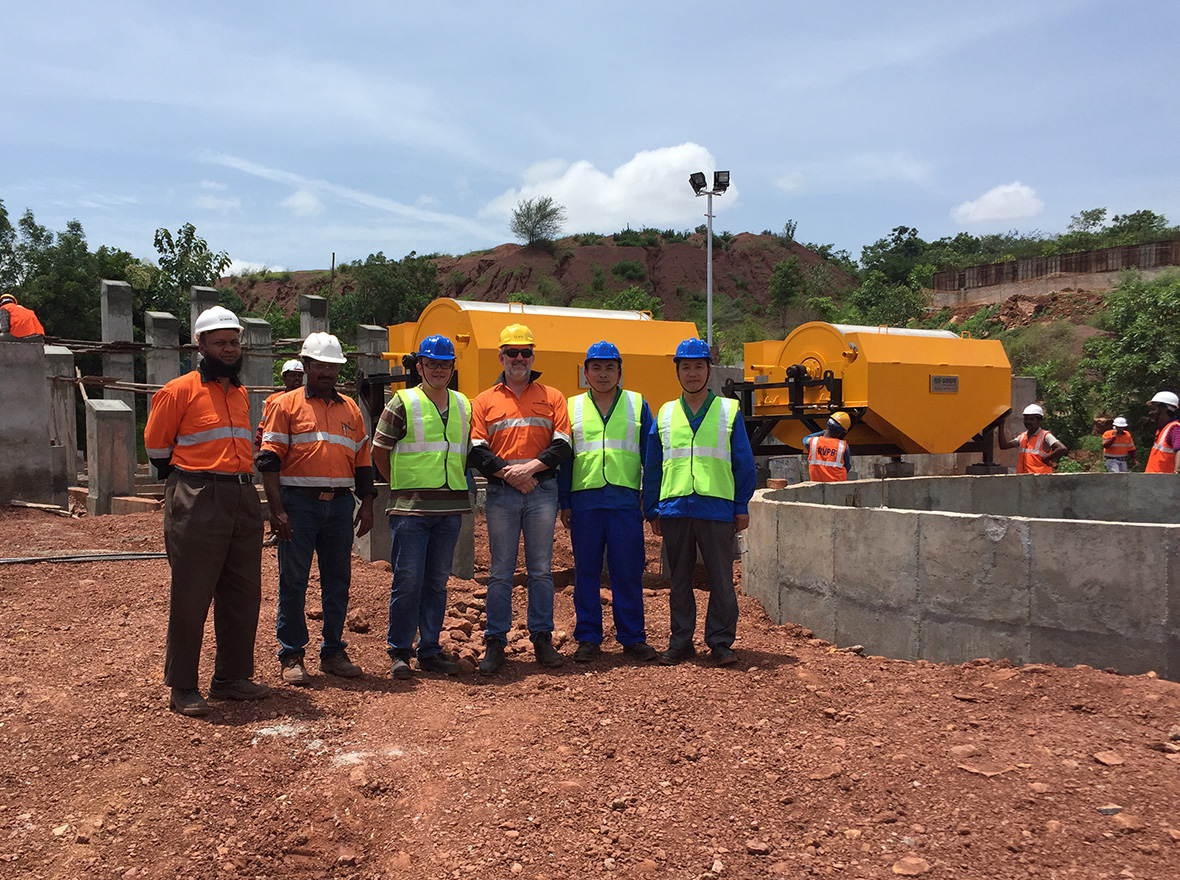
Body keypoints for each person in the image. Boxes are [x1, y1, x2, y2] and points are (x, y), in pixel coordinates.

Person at [144, 306, 269, 717]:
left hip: (242, 495)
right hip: (198, 494)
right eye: (220, 343)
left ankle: (231, 677)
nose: (229, 349)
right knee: (192, 593)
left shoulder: (239, 393)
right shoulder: (178, 390)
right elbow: (157, 449)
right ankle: (183, 685)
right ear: (200, 345)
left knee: (243, 592)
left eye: (233, 342)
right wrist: (191, 478)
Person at [256, 332, 375, 685]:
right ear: (306, 366)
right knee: (293, 581)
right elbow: (269, 459)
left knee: (338, 582)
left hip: (339, 506)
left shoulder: (350, 409)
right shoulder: (285, 405)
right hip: (298, 505)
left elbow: (363, 460)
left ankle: (333, 651)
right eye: (320, 365)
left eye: (333, 366)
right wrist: (276, 510)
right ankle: (292, 654)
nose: (327, 372)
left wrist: (367, 502)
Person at [643, 338, 756, 667]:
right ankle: (680, 642)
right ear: (677, 371)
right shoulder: (665, 414)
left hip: (716, 507)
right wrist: (652, 509)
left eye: (698, 366)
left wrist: (741, 505)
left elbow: (744, 463)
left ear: (709, 370)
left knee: (721, 579)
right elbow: (653, 467)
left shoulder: (728, 411)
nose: (692, 373)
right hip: (675, 507)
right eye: (686, 367)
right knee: (679, 580)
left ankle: (720, 641)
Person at [469, 323, 572, 675]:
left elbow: (562, 444)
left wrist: (528, 471)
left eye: (525, 352)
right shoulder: (484, 400)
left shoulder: (552, 396)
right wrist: (510, 475)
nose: (519, 358)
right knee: (500, 571)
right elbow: (477, 449)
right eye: (512, 352)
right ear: (501, 357)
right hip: (502, 493)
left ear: (533, 357)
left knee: (541, 569)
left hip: (542, 492)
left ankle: (542, 637)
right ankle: (495, 641)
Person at [372, 335, 472, 680]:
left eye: (445, 365)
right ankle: (400, 651)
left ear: (452, 368)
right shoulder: (402, 402)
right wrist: (399, 485)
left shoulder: (463, 404)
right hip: (411, 511)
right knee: (408, 581)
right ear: (420, 367)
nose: (438, 370)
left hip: (449, 510)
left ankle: (429, 650)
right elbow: (379, 450)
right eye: (432, 364)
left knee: (437, 583)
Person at [558, 341, 658, 663]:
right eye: (596, 368)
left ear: (619, 372)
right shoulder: (571, 407)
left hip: (624, 501)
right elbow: (565, 460)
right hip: (585, 501)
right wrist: (565, 501)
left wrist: (649, 500)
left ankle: (633, 637)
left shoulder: (637, 404)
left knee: (626, 572)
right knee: (586, 572)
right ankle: (588, 637)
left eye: (610, 368)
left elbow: (651, 457)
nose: (603, 374)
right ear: (586, 373)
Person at [998, 404, 1067, 473]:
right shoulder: (1022, 436)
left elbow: (1062, 448)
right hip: (1023, 478)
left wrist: (1047, 458)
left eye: (1031, 419)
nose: (1028, 422)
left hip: (1040, 477)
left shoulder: (1045, 435)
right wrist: (1001, 425)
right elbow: (1004, 446)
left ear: (1039, 420)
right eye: (1026, 419)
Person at [255, 359, 305, 452]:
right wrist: (257, 450)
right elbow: (263, 427)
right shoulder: (273, 400)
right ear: (284, 378)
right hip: (277, 450)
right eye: (293, 375)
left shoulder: (308, 400)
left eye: (299, 375)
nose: (297, 378)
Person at [802, 412, 853, 482]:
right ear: (843, 431)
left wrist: (824, 431)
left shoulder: (813, 442)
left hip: (816, 484)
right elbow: (847, 467)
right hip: (838, 485)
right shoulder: (842, 446)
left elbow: (805, 438)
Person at [1145, 391, 1180, 474]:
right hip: (1154, 479)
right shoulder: (1163, 430)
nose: (1150, 413)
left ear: (1164, 409)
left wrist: (1177, 472)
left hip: (1164, 481)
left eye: (1154, 409)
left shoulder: (1174, 428)